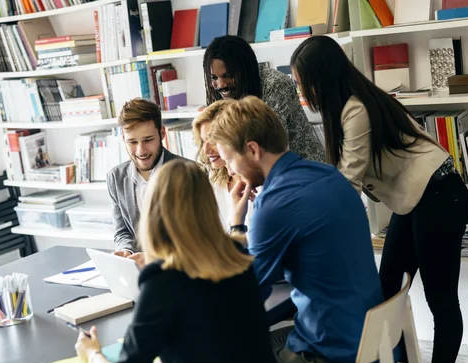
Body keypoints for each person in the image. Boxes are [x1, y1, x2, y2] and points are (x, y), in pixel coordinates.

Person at [290, 36, 468, 363]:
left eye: (300, 83)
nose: (299, 93)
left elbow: (346, 184)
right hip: (418, 200)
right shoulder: (348, 107)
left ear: (320, 79)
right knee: (386, 294)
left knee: (441, 300)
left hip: (439, 195)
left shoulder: (356, 109)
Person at [209, 96, 386, 363]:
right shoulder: (328, 174)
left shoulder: (274, 203)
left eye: (229, 159)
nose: (229, 168)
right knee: (265, 340)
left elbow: (245, 295)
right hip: (373, 349)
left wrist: (236, 222)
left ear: (252, 150)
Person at [75, 159, 284, 363]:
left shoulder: (162, 282)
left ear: (154, 214)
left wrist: (93, 356)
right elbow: (209, 333)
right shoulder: (237, 257)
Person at [203, 35, 324, 163]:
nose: (221, 84)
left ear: (244, 70)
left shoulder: (276, 85)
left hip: (299, 170)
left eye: (228, 76)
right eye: (214, 78)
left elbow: (269, 148)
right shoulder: (223, 95)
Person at [107, 98, 180, 261]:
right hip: (138, 270)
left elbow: (197, 237)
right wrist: (126, 250)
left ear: (162, 133)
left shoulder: (189, 172)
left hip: (178, 270)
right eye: (132, 142)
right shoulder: (115, 177)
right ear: (123, 139)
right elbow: (123, 231)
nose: (141, 151)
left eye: (148, 140)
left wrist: (153, 258)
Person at [192, 103, 255, 227]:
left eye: (213, 141)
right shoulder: (213, 181)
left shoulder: (260, 184)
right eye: (203, 141)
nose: (206, 150)